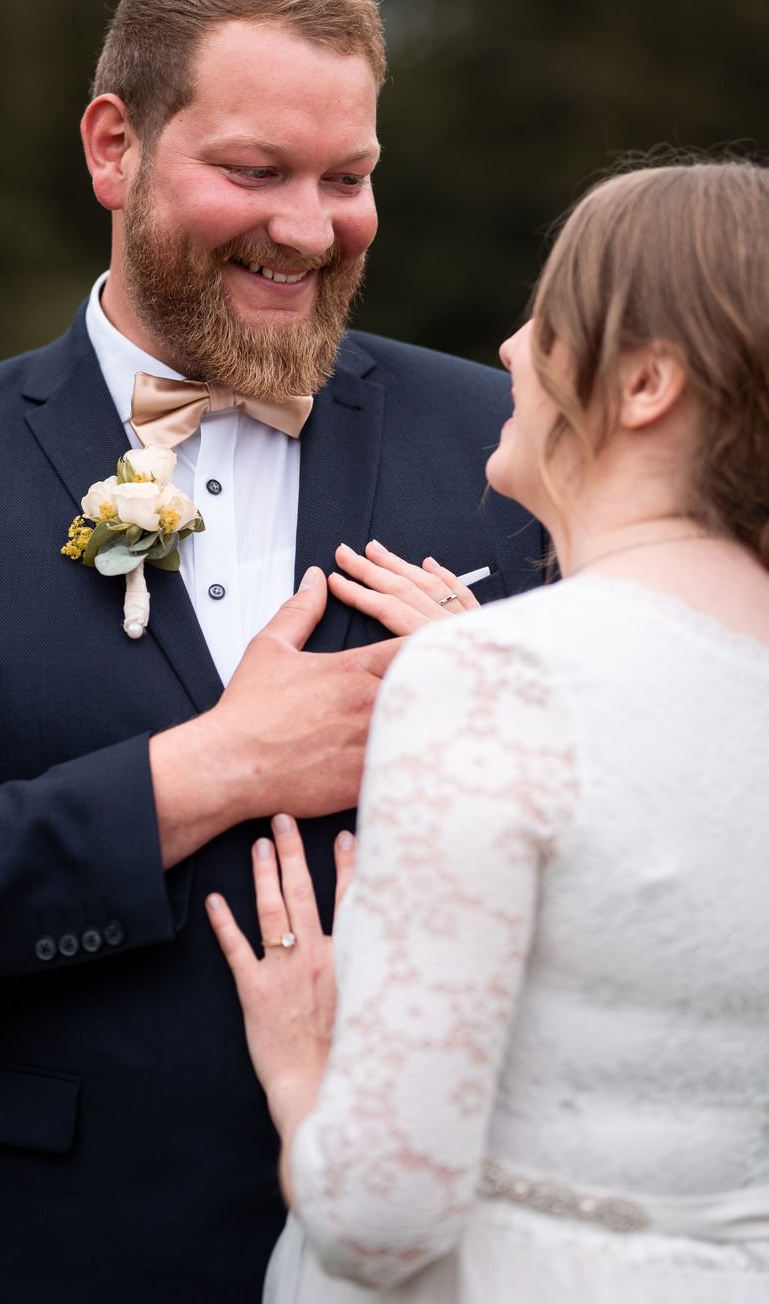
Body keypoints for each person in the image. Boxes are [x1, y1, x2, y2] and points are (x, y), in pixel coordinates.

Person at [0, 0, 542, 1303]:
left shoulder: (510, 440)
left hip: (456, 1250)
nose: (307, 226)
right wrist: (210, 770)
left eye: (346, 179)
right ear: (113, 147)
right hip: (59, 1252)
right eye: (252, 172)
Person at [208, 159, 769, 1302]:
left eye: (550, 315)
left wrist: (305, 1065)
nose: (509, 347)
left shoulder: (491, 677)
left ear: (647, 381)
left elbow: (381, 1217)